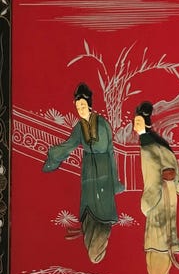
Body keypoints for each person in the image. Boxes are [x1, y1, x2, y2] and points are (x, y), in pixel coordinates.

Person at [42, 83, 125, 263]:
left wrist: (115, 181)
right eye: (78, 106)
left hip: (104, 171)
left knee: (103, 214)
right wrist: (53, 155)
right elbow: (69, 145)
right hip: (89, 174)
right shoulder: (79, 128)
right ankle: (91, 245)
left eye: (83, 105)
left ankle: (98, 249)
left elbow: (111, 151)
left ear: (89, 105)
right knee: (88, 213)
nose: (80, 109)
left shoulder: (103, 124)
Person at [133, 101, 179, 274]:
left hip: (159, 197)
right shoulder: (150, 144)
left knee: (158, 235)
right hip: (163, 193)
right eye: (135, 122)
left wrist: (148, 202)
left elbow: (155, 175)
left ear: (146, 124)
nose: (135, 126)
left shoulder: (150, 146)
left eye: (138, 122)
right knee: (160, 234)